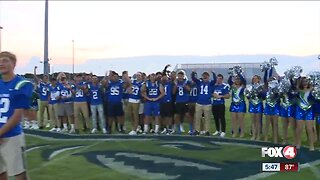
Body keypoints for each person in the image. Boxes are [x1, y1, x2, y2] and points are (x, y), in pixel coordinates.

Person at [0, 51, 33, 180]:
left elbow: (17, 116)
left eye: (5, 60)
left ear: (13, 63)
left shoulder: (21, 84)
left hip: (11, 136)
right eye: (0, 60)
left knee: (19, 174)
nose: (1, 63)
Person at [191, 71, 216, 136]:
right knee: (197, 118)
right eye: (204, 75)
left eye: (206, 75)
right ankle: (197, 130)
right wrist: (193, 72)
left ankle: (207, 131)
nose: (205, 77)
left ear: (208, 77)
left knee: (207, 118)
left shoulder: (210, 83)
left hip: (207, 103)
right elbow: (193, 78)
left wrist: (213, 73)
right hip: (199, 103)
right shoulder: (199, 82)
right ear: (202, 76)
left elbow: (215, 80)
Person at [295, 77, 316, 151]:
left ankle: (311, 145)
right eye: (303, 81)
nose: (305, 83)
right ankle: (298, 143)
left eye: (306, 81)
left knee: (309, 129)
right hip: (299, 110)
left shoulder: (313, 90)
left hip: (309, 111)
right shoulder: (298, 90)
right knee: (299, 129)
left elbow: (315, 99)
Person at [263, 68, 280, 143]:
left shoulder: (277, 90)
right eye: (270, 81)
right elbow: (263, 96)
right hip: (267, 108)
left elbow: (279, 97)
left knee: (275, 124)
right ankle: (266, 138)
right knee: (267, 124)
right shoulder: (266, 90)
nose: (271, 82)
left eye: (272, 81)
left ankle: (275, 139)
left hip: (275, 108)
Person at [228, 73, 247, 138]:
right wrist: (232, 74)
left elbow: (244, 80)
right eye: (236, 79)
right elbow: (229, 80)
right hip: (233, 104)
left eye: (239, 79)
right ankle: (235, 132)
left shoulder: (243, 86)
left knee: (241, 120)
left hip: (241, 104)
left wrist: (239, 72)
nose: (238, 80)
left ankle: (242, 132)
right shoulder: (233, 85)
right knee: (234, 120)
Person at [279, 77, 296, 144]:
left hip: (291, 107)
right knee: (284, 125)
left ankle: (295, 140)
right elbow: (279, 96)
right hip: (283, 107)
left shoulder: (292, 90)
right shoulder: (282, 90)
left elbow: (294, 94)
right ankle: (285, 139)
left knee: (293, 125)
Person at [246, 75, 264, 140]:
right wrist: (250, 94)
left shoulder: (261, 86)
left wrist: (260, 93)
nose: (255, 80)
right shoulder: (249, 87)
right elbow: (247, 96)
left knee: (258, 121)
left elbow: (263, 96)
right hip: (252, 104)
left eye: (256, 79)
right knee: (253, 121)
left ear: (259, 79)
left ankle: (258, 135)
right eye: (254, 78)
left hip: (259, 104)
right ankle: (253, 135)